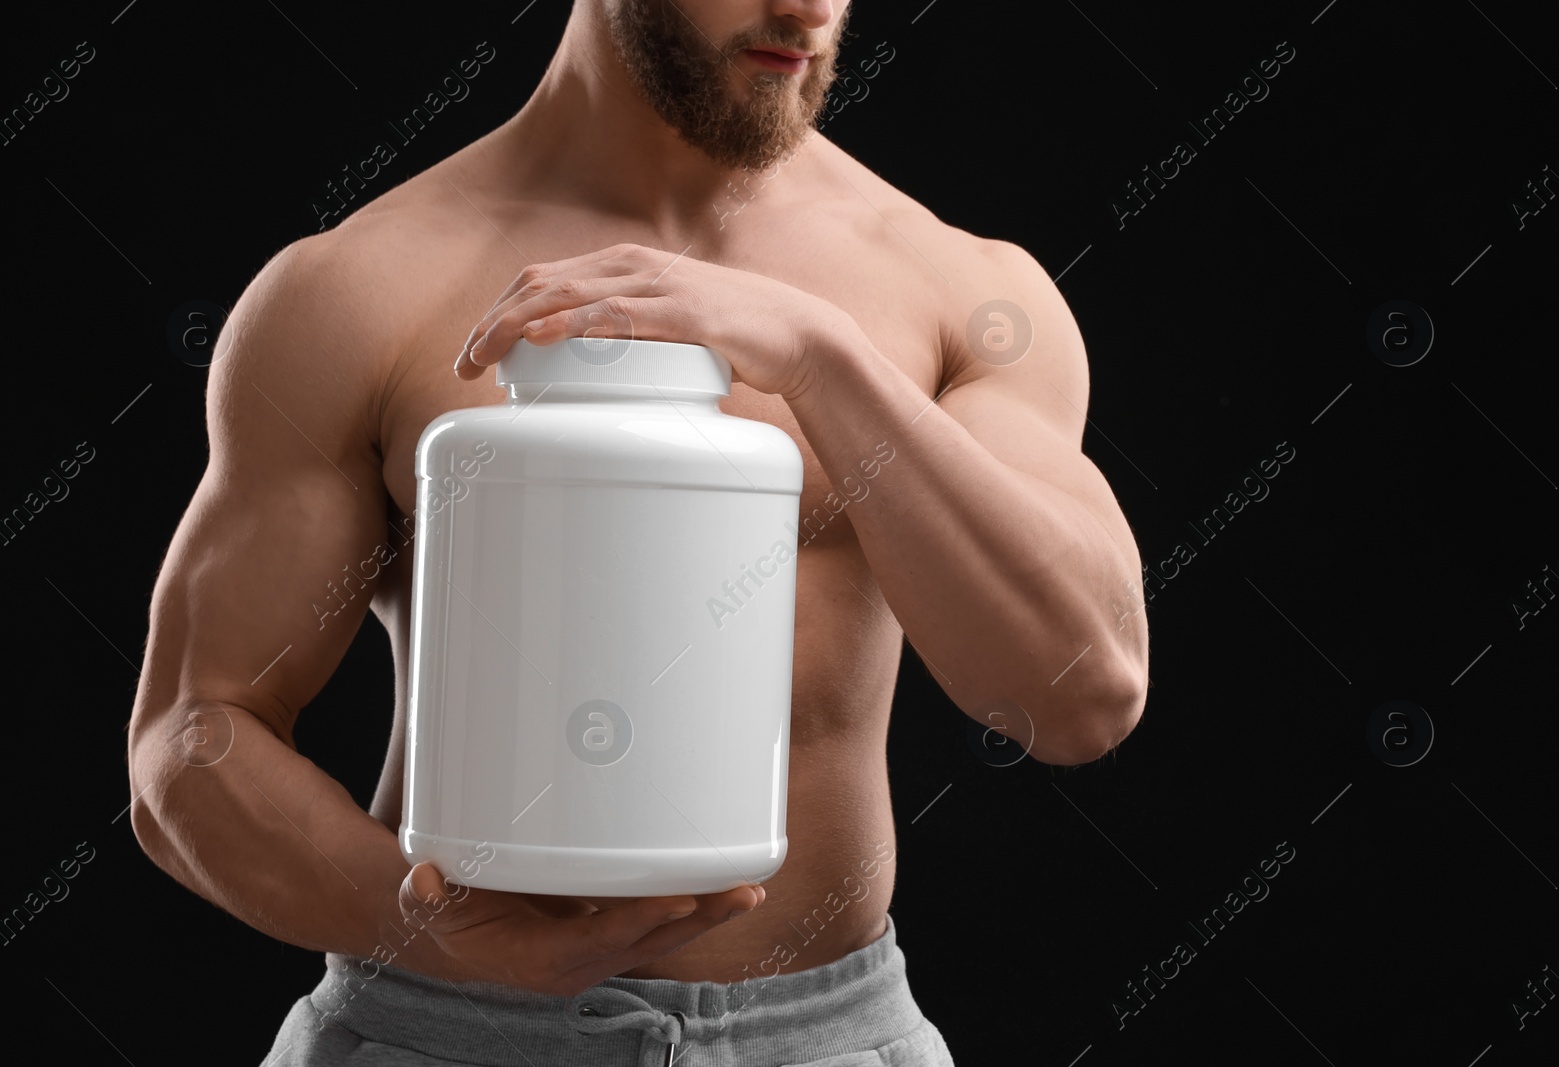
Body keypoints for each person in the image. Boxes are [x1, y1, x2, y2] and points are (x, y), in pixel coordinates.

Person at [125, 0, 1150, 1062]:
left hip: (830, 1037)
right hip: (440, 1033)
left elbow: (1082, 693)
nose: (807, 11)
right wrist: (430, 925)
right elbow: (193, 736)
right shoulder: (359, 286)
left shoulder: (956, 289)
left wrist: (822, 359)